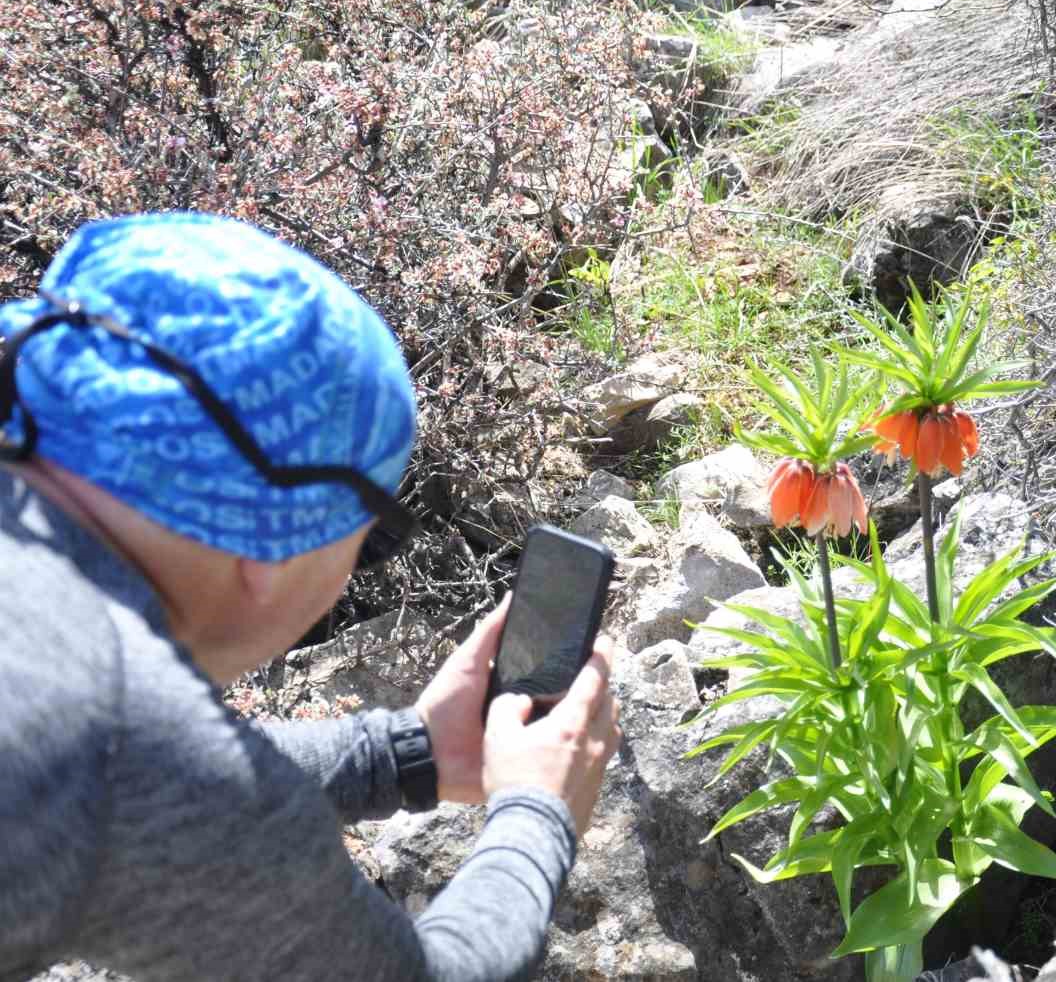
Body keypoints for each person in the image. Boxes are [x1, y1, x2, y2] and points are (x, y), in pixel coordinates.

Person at [0, 213, 621, 981]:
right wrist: (538, 811)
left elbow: (135, 790)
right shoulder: (118, 731)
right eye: (373, 538)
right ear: (273, 536)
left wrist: (407, 752)